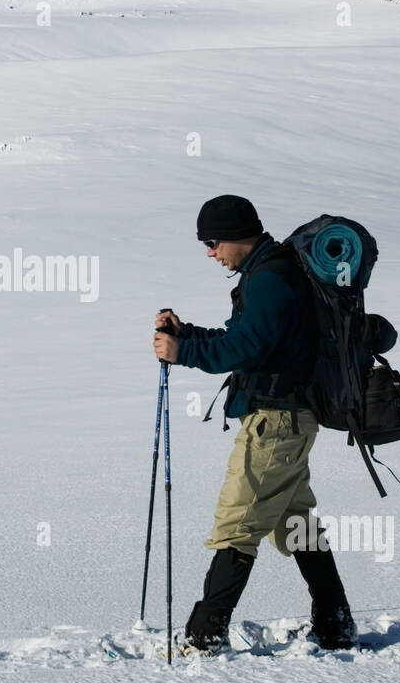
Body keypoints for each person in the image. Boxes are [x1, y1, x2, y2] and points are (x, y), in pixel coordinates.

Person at [152, 194, 357, 653]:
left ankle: (204, 637)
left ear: (237, 234)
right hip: (288, 419)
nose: (210, 252)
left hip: (276, 423)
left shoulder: (270, 280)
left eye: (212, 241)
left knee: (236, 525)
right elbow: (243, 339)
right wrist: (187, 335)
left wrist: (182, 353)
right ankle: (336, 625)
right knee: (297, 523)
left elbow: (246, 349)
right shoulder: (270, 273)